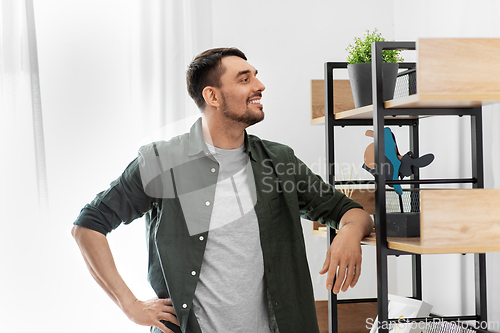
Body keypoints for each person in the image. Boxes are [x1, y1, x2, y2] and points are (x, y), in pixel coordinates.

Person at [72, 47, 373, 333]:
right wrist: (131, 305)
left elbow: (351, 213)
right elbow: (88, 226)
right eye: (245, 79)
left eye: (255, 75)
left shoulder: (280, 161)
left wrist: (348, 233)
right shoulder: (162, 161)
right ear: (212, 96)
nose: (260, 85)